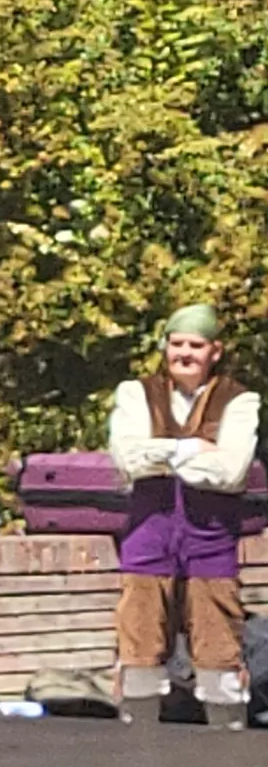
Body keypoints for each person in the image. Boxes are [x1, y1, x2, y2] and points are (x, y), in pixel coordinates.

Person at [107, 304, 257, 721]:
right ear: (165, 347)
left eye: (196, 345)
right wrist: (191, 449)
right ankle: (138, 752)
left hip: (209, 540)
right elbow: (129, 460)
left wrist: (160, 451)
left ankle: (226, 756)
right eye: (176, 344)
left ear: (215, 351)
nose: (185, 353)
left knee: (219, 655)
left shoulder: (239, 400)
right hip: (147, 537)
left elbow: (231, 471)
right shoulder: (135, 392)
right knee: (138, 651)